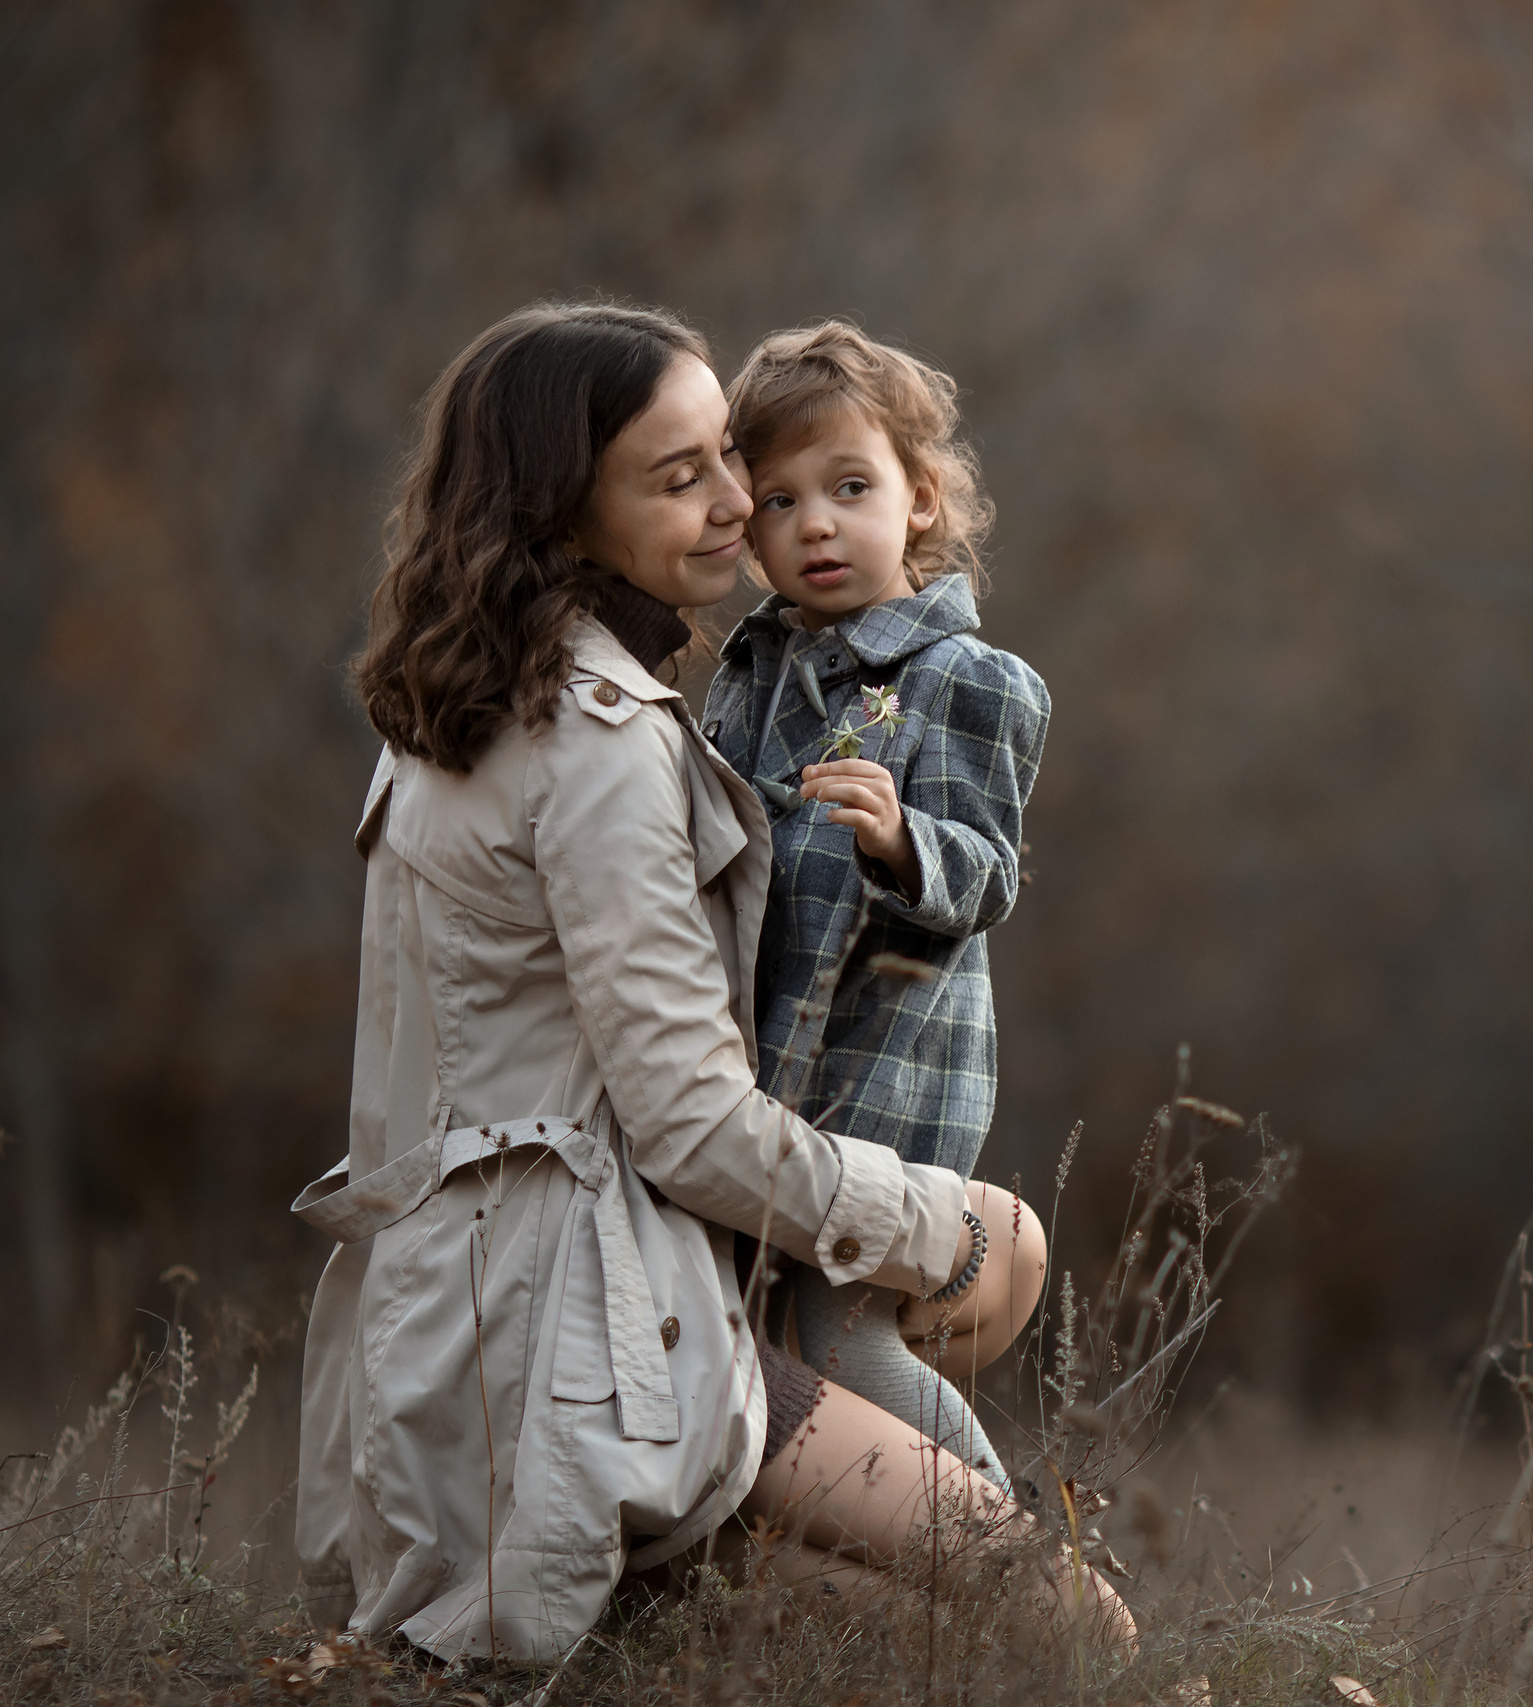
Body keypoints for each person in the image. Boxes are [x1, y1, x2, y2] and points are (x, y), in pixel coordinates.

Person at [294, 301, 1129, 1664]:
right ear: (564, 513)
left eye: (726, 460)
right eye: (685, 476)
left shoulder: (446, 707)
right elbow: (689, 1126)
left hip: (460, 1319)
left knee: (864, 1619)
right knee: (1071, 1620)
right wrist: (943, 1227)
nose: (744, 507)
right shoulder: (605, 737)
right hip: (602, 1322)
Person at [699, 321, 1041, 1502]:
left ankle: (1022, 1572)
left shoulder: (965, 678)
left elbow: (989, 871)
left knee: (840, 1333)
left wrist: (902, 841)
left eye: (851, 487)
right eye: (779, 500)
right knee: (776, 1342)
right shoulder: (751, 674)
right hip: (769, 1081)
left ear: (922, 498)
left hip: (886, 1071)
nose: (816, 525)